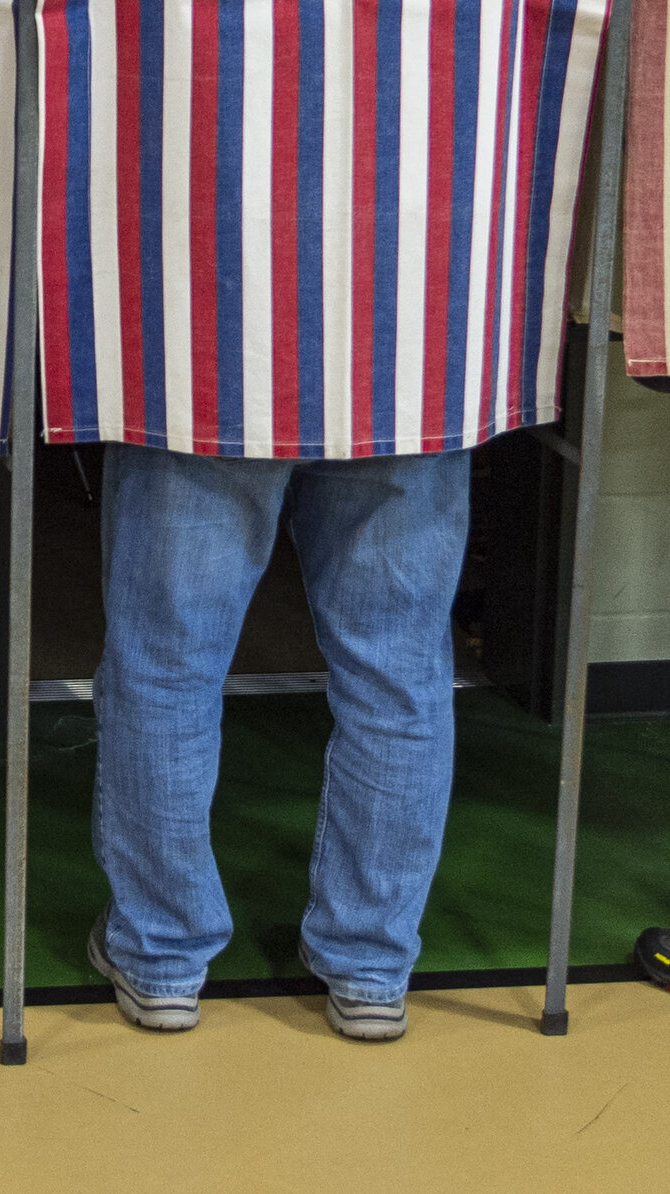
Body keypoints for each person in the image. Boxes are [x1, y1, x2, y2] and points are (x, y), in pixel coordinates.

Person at [85, 444, 471, 1043]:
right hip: (404, 375)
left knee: (168, 667)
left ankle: (161, 955)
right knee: (396, 676)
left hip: (207, 372)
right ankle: (369, 965)